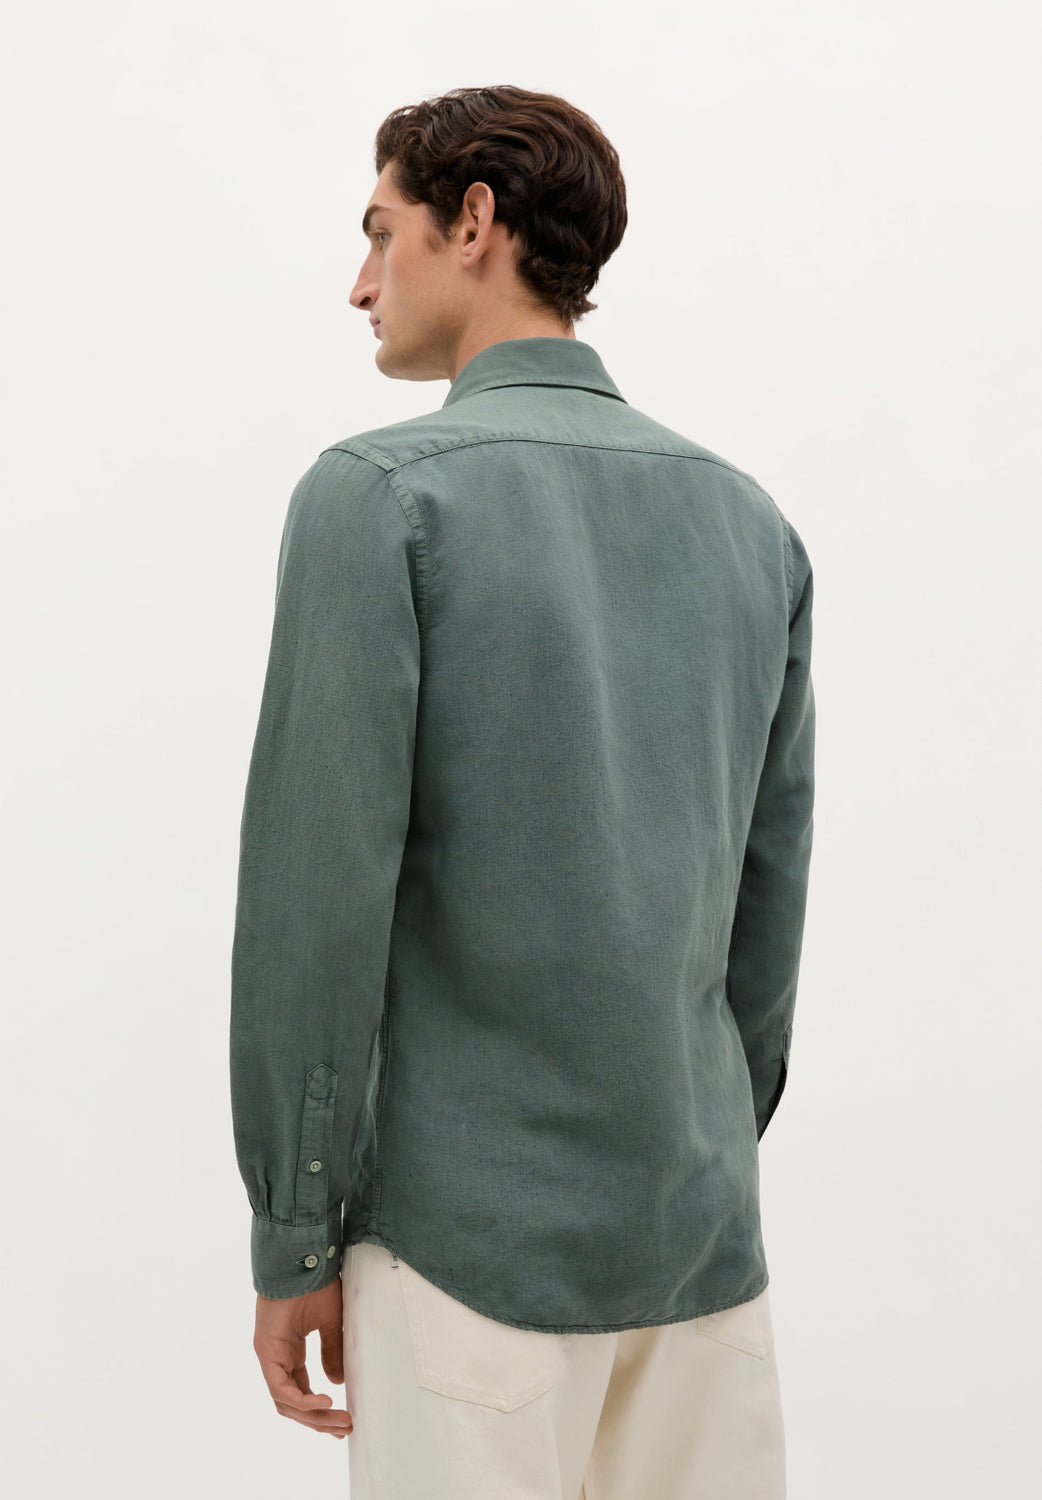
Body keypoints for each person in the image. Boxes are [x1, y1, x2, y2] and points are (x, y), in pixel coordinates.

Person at [230, 83, 815, 1499]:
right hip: (699, 1244)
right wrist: (695, 1148)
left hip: (462, 1252)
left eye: (382, 232)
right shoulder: (749, 521)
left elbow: (318, 908)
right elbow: (767, 906)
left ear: (474, 222)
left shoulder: (377, 495)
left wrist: (296, 1234)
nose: (360, 281)